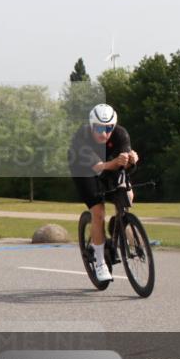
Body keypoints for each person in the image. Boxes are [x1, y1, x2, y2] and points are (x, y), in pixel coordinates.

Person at [69, 104, 139, 283]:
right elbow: (98, 167)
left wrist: (131, 160)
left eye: (108, 128)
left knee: (128, 197)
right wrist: (117, 161)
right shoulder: (81, 137)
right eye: (99, 128)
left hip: (109, 166)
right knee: (98, 212)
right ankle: (100, 262)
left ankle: (118, 224)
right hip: (84, 171)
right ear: (92, 125)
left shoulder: (121, 134)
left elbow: (124, 167)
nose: (104, 133)